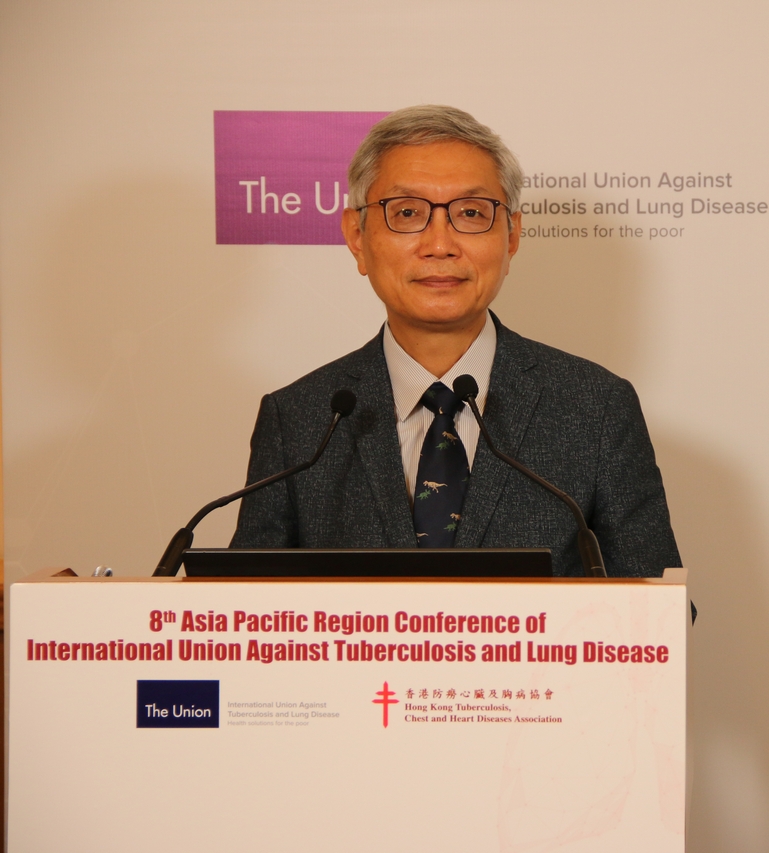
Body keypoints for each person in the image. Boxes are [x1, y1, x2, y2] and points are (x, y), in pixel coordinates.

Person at [230, 105, 680, 578]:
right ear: (357, 236)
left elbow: (661, 606)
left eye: (470, 213)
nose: (440, 245)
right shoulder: (300, 419)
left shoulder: (596, 408)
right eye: (407, 213)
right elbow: (242, 604)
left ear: (512, 236)